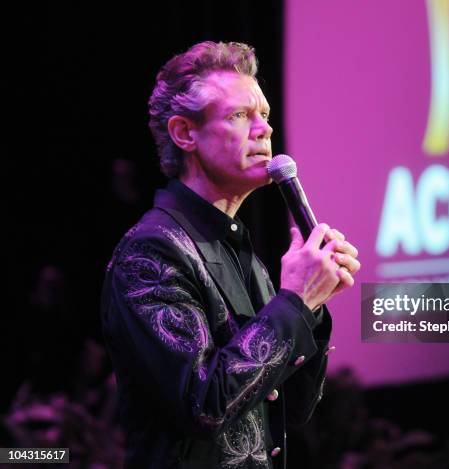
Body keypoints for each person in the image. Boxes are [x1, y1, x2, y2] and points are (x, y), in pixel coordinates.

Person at [100, 41, 360, 468]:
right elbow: (204, 405)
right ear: (185, 133)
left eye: (265, 116)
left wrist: (310, 304)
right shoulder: (151, 252)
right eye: (241, 116)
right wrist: (294, 300)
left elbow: (291, 409)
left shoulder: (239, 250)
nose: (265, 130)